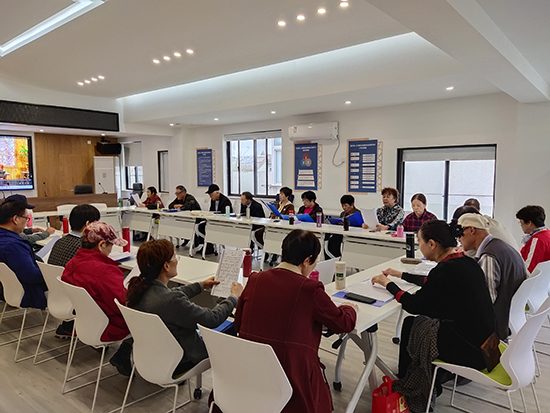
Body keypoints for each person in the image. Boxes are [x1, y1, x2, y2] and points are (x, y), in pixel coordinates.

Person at [371, 220, 495, 412]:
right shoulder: (466, 262)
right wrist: (400, 275)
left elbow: (414, 305)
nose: (419, 246)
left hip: (469, 352)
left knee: (411, 324)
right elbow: (433, 282)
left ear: (431, 244)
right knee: (417, 323)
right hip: (488, 347)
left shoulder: (445, 270)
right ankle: (422, 376)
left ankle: (409, 383)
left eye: (420, 242)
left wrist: (387, 284)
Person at [234, 229, 357, 413]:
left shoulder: (255, 279)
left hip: (250, 373)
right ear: (307, 260)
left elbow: (238, 324)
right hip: (291, 377)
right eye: (314, 262)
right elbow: (343, 324)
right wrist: (350, 308)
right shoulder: (310, 288)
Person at [127, 239, 242, 376]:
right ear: (166, 266)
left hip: (151, 358)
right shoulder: (171, 301)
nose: (177, 261)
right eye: (175, 258)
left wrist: (200, 285)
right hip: (181, 360)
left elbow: (171, 294)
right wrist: (233, 297)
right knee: (231, 326)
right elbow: (212, 319)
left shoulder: (140, 291)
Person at [62, 221, 132, 375]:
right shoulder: (105, 271)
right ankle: (125, 353)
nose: (111, 250)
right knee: (149, 312)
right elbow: (123, 304)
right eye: (111, 245)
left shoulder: (71, 264)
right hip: (110, 324)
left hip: (85, 323)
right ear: (101, 245)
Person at [457, 213, 527, 340]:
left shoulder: (489, 256)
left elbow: (486, 301)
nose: (459, 240)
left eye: (460, 234)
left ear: (471, 230)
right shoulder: (501, 246)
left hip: (496, 325)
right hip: (512, 317)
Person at [0, 197, 47, 309]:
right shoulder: (13, 246)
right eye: (26, 218)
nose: (26, 222)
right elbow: (31, 275)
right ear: (15, 219)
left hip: (6, 288)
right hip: (27, 292)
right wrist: (51, 273)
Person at [452, 206, 518, 252]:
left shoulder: (487, 250)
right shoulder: (491, 223)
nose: (459, 239)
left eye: (460, 232)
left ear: (472, 229)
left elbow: (469, 257)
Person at [516, 205, 550, 273]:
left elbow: (528, 269)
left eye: (521, 222)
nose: (521, 226)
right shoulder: (547, 234)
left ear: (529, 223)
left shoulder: (537, 240)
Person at [326, 194, 361, 259]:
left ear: (352, 204)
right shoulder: (343, 214)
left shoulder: (358, 213)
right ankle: (333, 257)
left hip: (353, 235)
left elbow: (360, 225)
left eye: (345, 205)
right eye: (342, 206)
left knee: (335, 240)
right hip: (342, 233)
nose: (344, 208)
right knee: (331, 240)